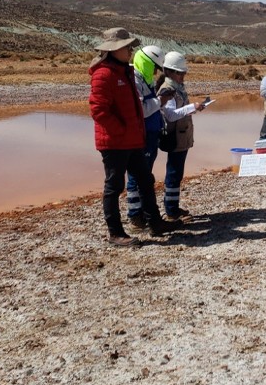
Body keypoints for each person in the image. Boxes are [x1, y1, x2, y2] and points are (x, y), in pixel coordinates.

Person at [88, 28, 178, 246]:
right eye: (127, 47)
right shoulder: (103, 74)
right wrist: (120, 130)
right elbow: (98, 110)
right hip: (115, 142)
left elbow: (135, 107)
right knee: (114, 186)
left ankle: (155, 222)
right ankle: (116, 233)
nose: (131, 51)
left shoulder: (125, 72)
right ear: (114, 49)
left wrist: (133, 131)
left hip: (132, 140)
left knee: (146, 180)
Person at [157, 51, 207, 219]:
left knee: (176, 173)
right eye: (180, 73)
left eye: (184, 73)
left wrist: (194, 108)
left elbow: (179, 111)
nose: (183, 76)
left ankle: (173, 208)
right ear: (170, 72)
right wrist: (192, 107)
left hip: (181, 136)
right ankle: (171, 211)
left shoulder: (177, 88)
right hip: (175, 137)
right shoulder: (167, 89)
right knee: (173, 174)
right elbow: (171, 115)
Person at [125, 44, 167, 228]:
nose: (156, 72)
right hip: (142, 135)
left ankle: (143, 212)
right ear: (147, 63)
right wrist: (160, 101)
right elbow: (140, 110)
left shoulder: (144, 79)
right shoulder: (135, 80)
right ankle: (135, 215)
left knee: (144, 176)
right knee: (137, 176)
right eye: (154, 67)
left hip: (150, 134)